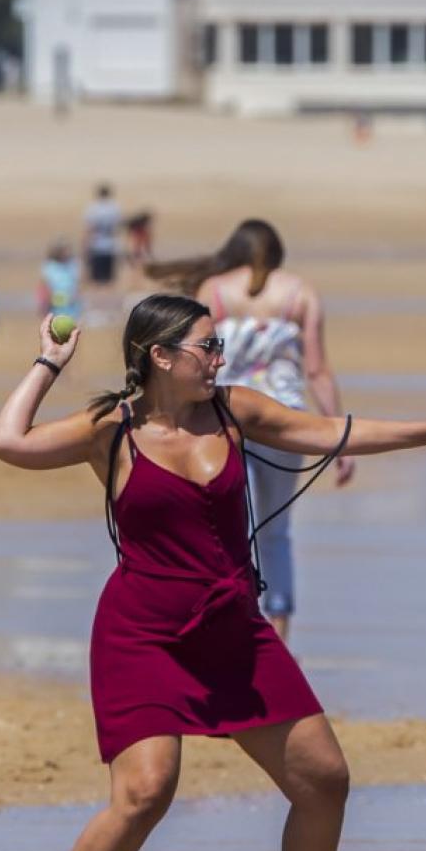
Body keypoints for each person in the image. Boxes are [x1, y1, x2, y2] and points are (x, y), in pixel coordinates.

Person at [0, 294, 426, 851]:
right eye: (207, 347)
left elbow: (326, 431)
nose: (219, 359)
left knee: (324, 778)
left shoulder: (235, 410)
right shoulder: (109, 428)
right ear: (160, 356)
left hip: (232, 629)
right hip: (142, 633)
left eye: (218, 345)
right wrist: (48, 363)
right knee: (144, 791)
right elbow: (7, 441)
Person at [149, 219, 355, 640]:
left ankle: (231, 626)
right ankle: (277, 634)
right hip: (286, 422)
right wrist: (340, 442)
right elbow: (316, 370)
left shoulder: (213, 291)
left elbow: (193, 362)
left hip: (224, 420)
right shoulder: (299, 293)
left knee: (225, 527)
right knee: (276, 529)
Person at [84, 184, 124, 288]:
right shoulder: (115, 208)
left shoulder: (93, 208)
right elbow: (118, 228)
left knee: (96, 281)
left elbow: (90, 229)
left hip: (97, 245)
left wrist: (86, 245)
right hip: (111, 245)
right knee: (109, 280)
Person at [39, 240, 82, 322]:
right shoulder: (49, 267)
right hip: (55, 306)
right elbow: (45, 288)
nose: (67, 253)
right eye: (65, 250)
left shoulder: (74, 264)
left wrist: (76, 297)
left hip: (72, 306)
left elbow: (78, 284)